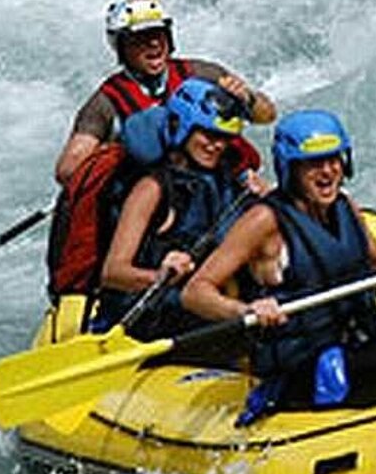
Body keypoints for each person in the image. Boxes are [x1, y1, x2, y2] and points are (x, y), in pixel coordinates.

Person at [181, 109, 376, 422]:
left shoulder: (345, 206)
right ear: (290, 168)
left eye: (334, 160)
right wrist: (246, 311)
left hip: (357, 347)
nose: (328, 171)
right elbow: (195, 292)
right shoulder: (264, 221)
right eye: (314, 164)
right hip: (303, 369)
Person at [95, 78, 260, 338]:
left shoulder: (226, 178)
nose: (216, 145)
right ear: (181, 128)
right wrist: (158, 275)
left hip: (203, 297)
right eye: (207, 134)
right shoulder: (151, 189)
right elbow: (113, 273)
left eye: (223, 137)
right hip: (152, 313)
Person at [54, 0, 277, 185]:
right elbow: (67, 170)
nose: (154, 43)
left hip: (216, 182)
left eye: (158, 34)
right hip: (156, 193)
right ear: (122, 47)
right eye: (141, 38)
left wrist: (247, 99)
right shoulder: (106, 102)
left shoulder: (203, 73)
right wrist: (123, 151)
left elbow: (267, 116)